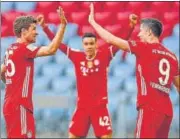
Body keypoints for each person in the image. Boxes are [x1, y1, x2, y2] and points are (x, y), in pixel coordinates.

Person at [37, 12, 137, 138]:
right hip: (82, 108)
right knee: (73, 137)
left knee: (106, 137)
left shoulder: (104, 55)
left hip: (100, 108)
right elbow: (58, 45)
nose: (89, 46)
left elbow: (120, 42)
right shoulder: (77, 56)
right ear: (83, 45)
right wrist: (45, 27)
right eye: (86, 44)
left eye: (91, 43)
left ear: (96, 44)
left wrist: (131, 27)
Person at [88, 3, 179, 139]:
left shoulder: (144, 47)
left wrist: (92, 22)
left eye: (141, 31)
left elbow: (110, 39)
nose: (139, 34)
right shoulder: (172, 56)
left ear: (149, 32)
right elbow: (178, 85)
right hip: (166, 112)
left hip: (150, 108)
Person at [0, 7, 67, 138]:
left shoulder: (10, 49)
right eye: (34, 29)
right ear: (24, 32)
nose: (37, 33)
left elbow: (2, 71)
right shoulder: (25, 48)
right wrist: (63, 25)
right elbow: (51, 49)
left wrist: (10, 84)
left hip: (10, 104)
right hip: (21, 106)